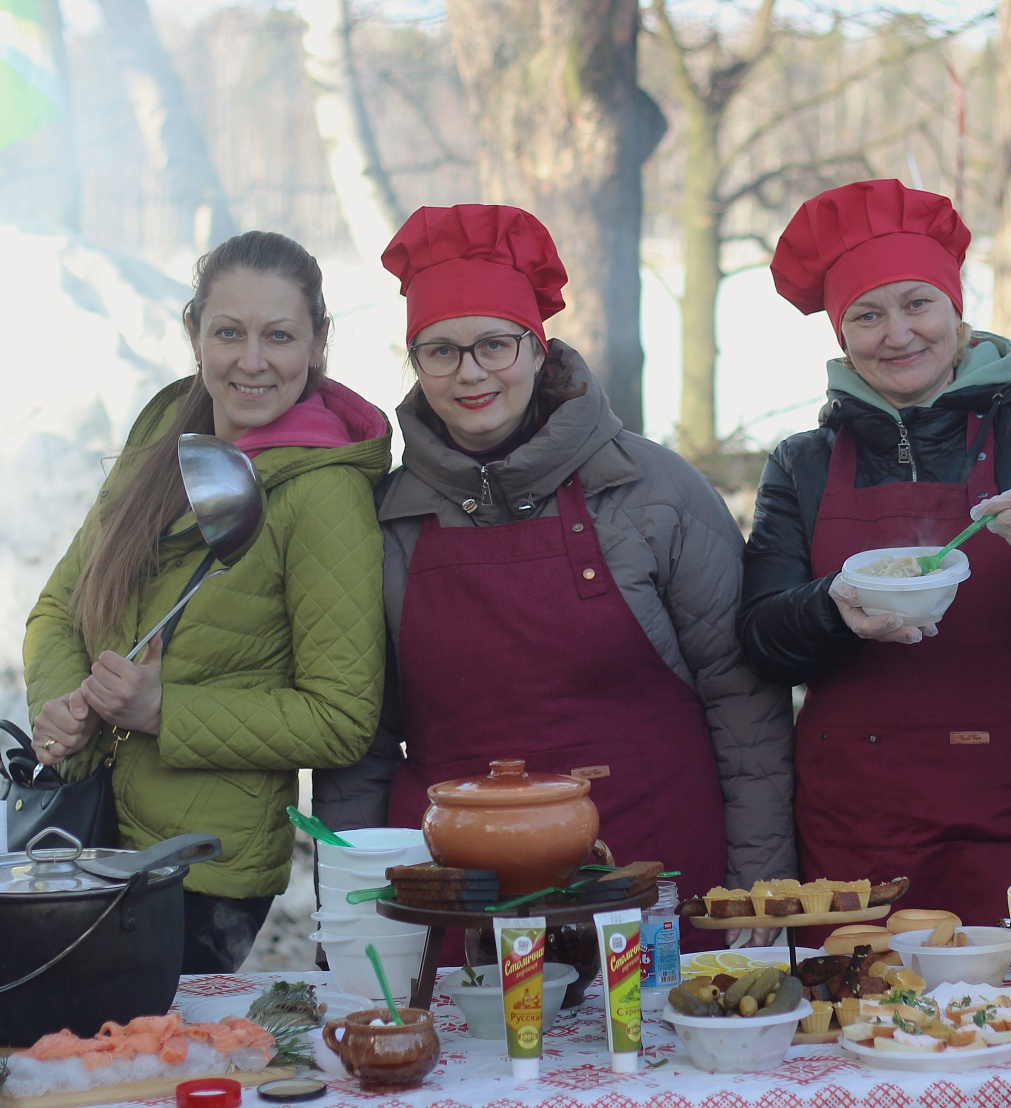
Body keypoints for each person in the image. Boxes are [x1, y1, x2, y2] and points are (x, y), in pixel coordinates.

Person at [312, 204, 795, 921]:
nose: (470, 373)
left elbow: (742, 701)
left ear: (538, 349)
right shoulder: (384, 518)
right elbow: (361, 744)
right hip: (455, 892)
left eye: (495, 345)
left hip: (650, 868)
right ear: (416, 365)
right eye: (439, 350)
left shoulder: (653, 491)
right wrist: (351, 917)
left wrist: (761, 888)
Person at [736, 179, 1011, 926]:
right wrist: (830, 609)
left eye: (918, 303)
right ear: (840, 334)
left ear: (956, 310)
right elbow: (761, 639)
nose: (898, 335)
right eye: (867, 314)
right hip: (857, 824)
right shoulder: (803, 462)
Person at [24, 230, 391, 973]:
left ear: (320, 341)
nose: (251, 361)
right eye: (229, 332)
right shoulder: (168, 431)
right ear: (193, 333)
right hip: (84, 826)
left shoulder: (324, 492)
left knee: (148, 1072)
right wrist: (67, 699)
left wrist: (164, 710)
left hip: (199, 871)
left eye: (279, 336)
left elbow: (343, 716)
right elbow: (58, 609)